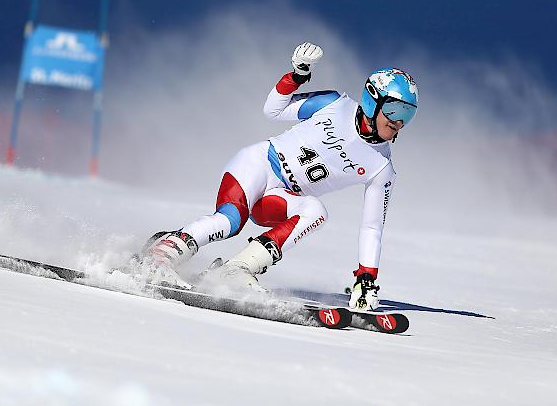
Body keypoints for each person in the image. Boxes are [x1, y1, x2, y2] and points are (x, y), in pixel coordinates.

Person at [141, 42, 419, 310]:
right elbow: (272, 110)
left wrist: (366, 279)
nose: (399, 122)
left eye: (408, 114)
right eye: (395, 110)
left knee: (315, 211)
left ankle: (237, 271)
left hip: (281, 196)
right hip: (259, 165)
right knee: (230, 221)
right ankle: (163, 253)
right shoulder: (335, 104)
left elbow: (372, 227)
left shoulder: (381, 167)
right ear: (372, 100)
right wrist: (297, 76)